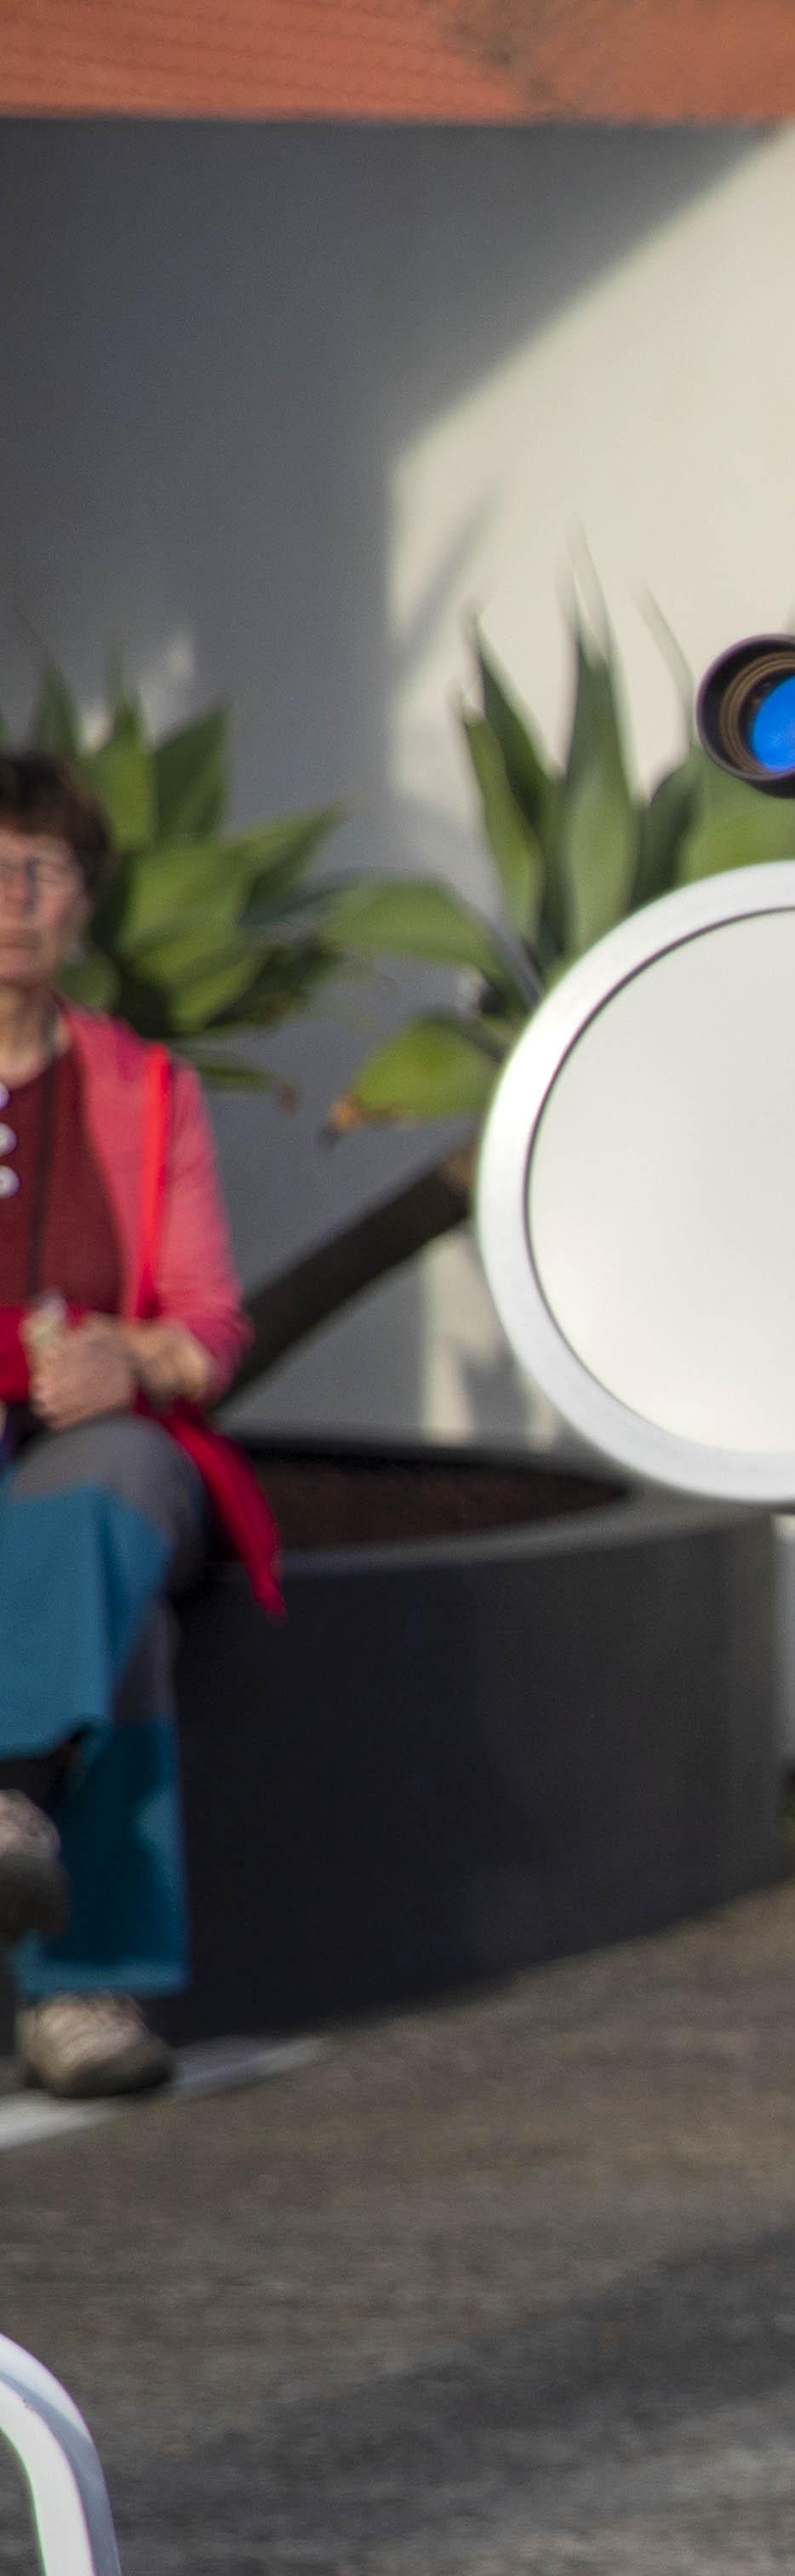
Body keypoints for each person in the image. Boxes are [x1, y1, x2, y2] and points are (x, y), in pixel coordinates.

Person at [0, 749, 278, 2107]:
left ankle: (7, 1793)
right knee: (130, 1636)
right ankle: (81, 1982)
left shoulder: (146, 1088)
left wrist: (132, 1355)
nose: (12, 900)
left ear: (83, 903)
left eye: (40, 871)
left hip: (88, 1432)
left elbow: (212, 1326)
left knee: (112, 1495)